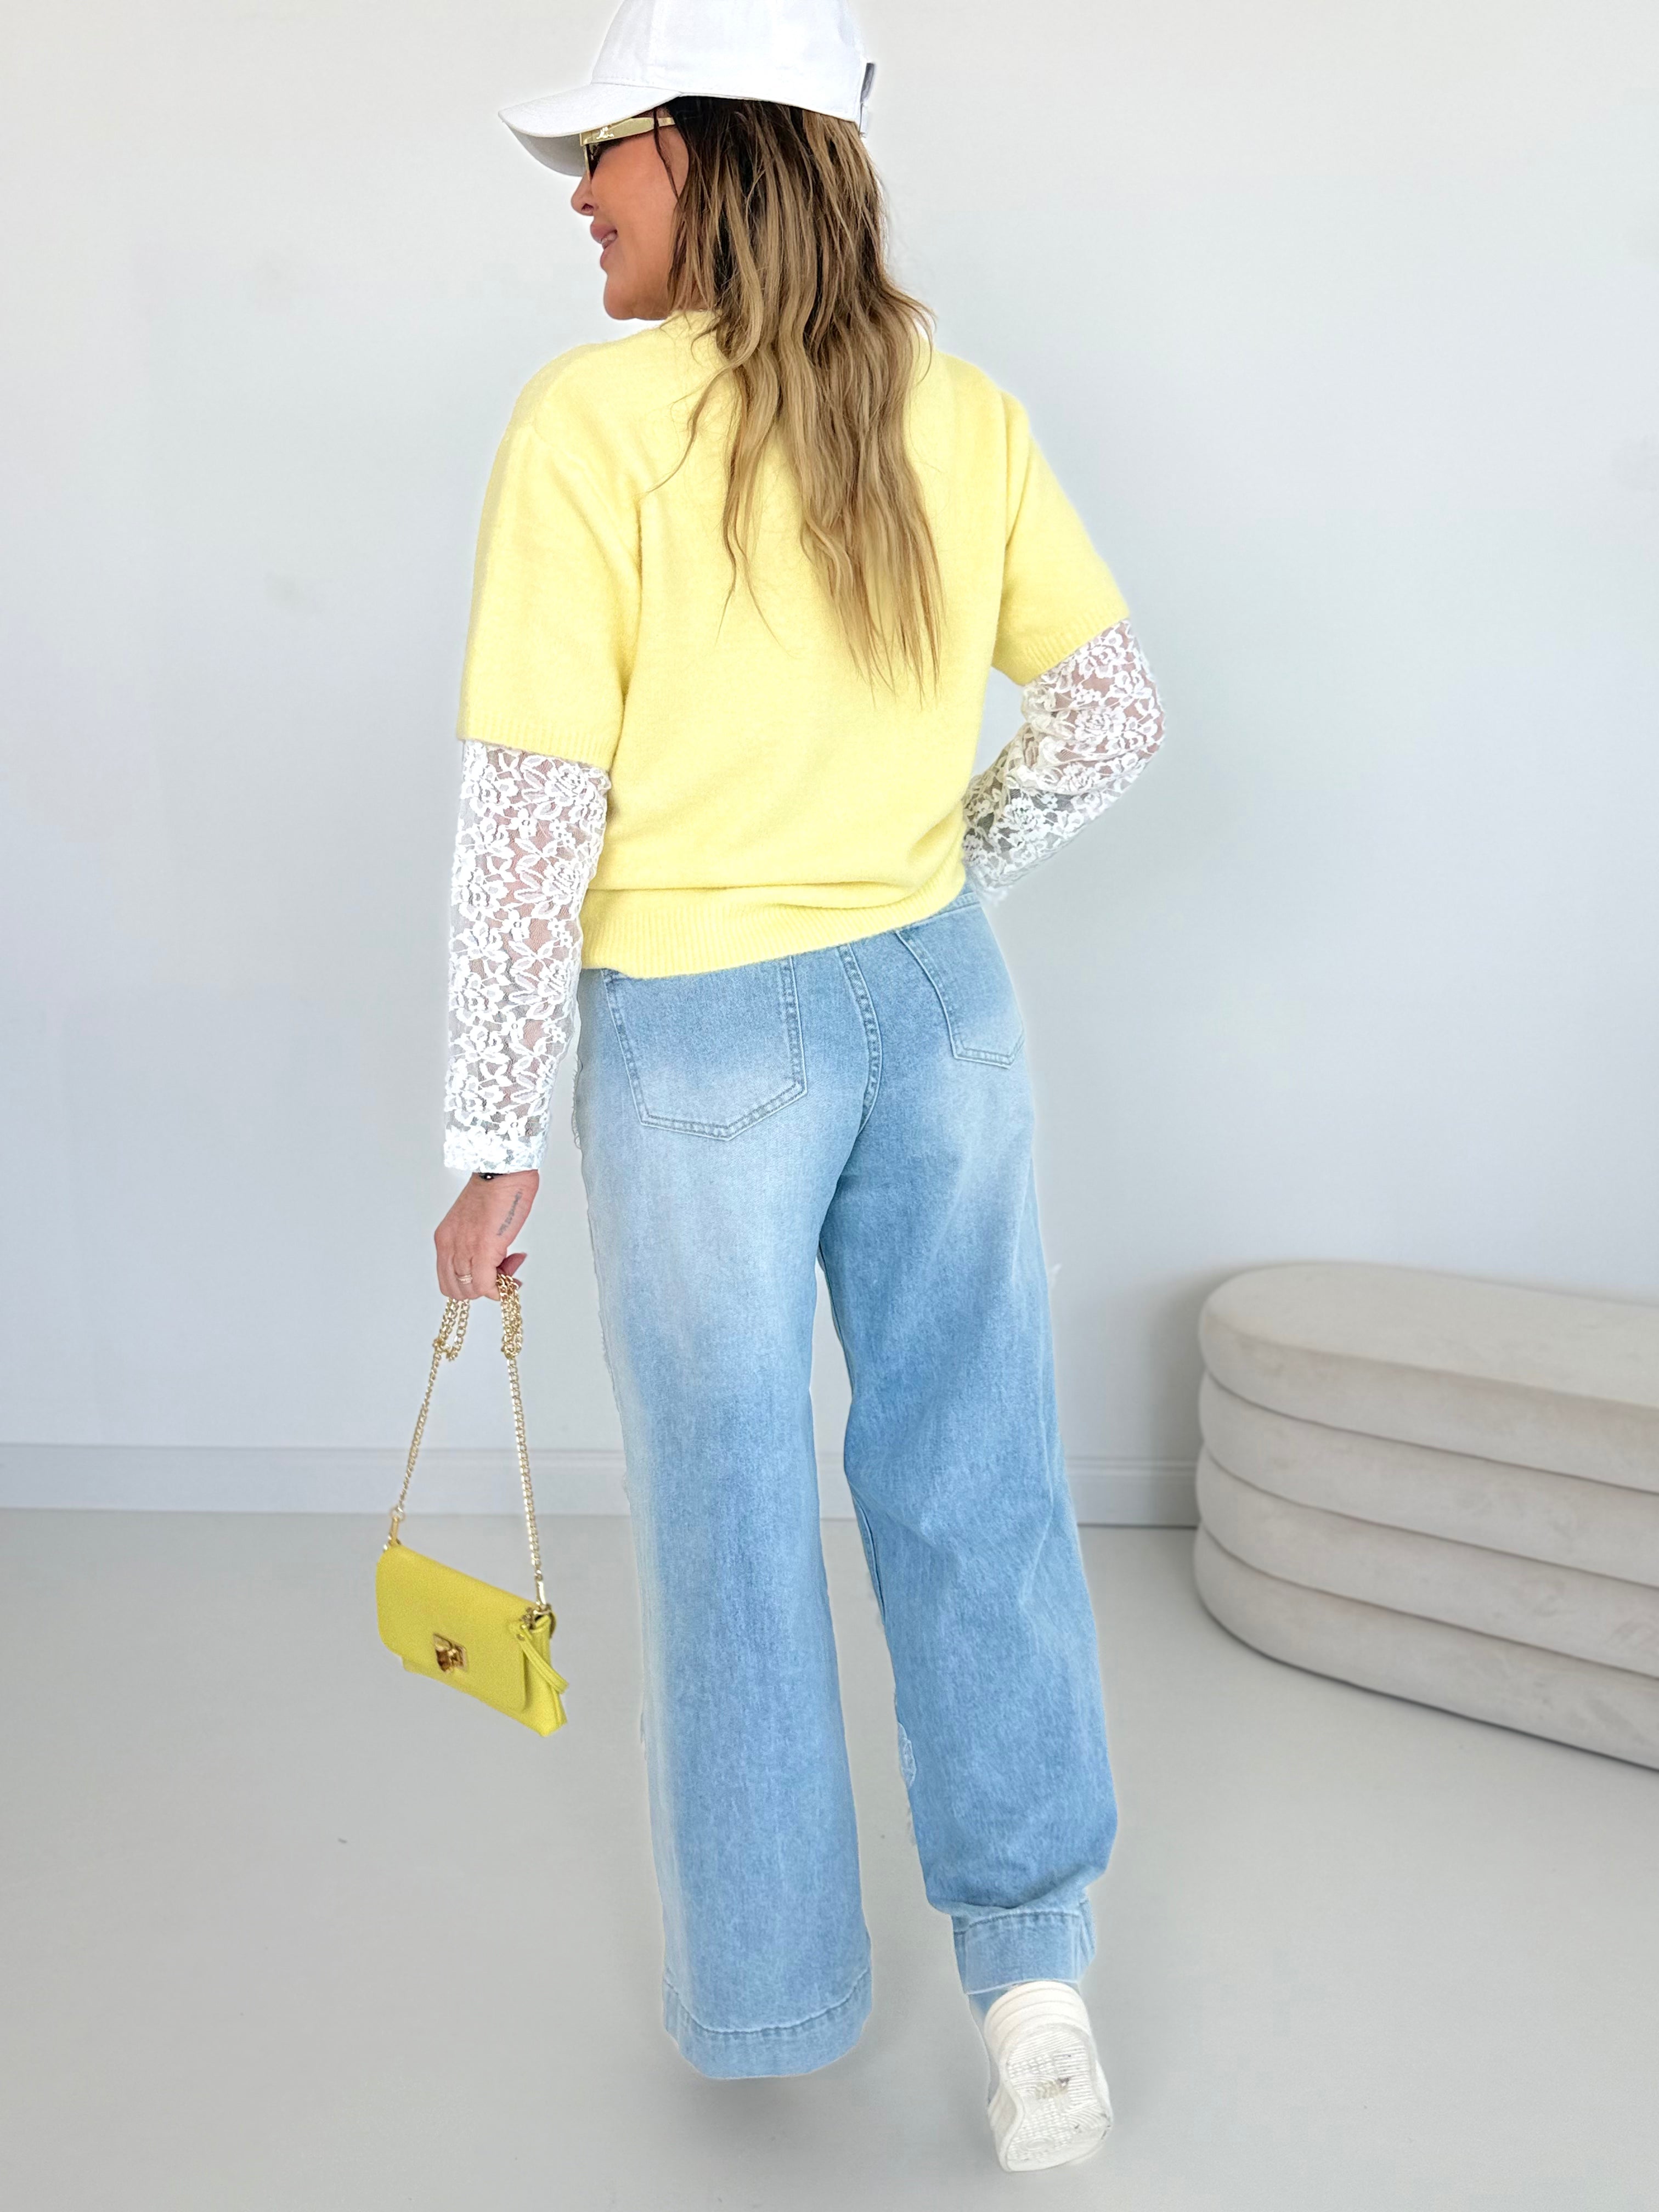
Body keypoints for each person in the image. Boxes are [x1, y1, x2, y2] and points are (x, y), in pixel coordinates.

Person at [431, 0, 1164, 2174]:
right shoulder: (960, 405)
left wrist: (486, 1140)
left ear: (720, 149)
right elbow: (1114, 713)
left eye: (609, 147)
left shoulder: (588, 422)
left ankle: (774, 2001)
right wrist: (945, 870)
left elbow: (530, 812)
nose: (581, 193)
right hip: (938, 1010)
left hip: (704, 1039)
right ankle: (1039, 1998)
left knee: (735, 1520)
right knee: (981, 1476)